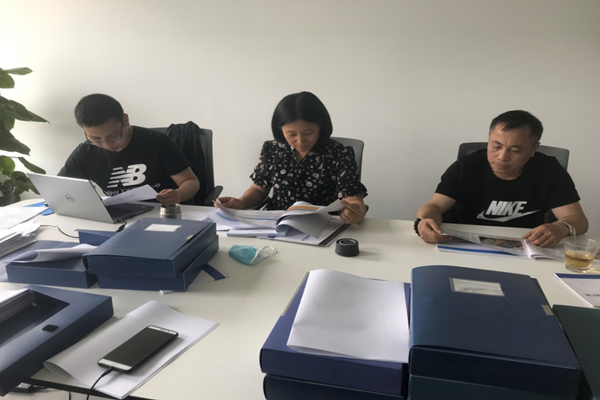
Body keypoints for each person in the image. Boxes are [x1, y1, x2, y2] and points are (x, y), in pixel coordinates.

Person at [415, 110, 588, 248]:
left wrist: (560, 228)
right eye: (496, 146)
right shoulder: (466, 167)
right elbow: (434, 207)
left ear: (533, 149)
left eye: (515, 150)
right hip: (464, 242)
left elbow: (578, 220)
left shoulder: (549, 171)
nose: (502, 157)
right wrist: (426, 221)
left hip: (526, 243)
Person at [217, 91, 367, 224]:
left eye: (308, 132)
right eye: (291, 134)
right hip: (277, 223)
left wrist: (356, 211)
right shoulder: (272, 149)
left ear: (320, 126)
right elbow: (259, 189)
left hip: (322, 225)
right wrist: (241, 202)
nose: (300, 141)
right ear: (280, 129)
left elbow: (352, 197)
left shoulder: (340, 153)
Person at [59, 94, 199, 204]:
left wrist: (179, 194)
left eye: (113, 136)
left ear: (125, 120)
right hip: (119, 213)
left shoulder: (157, 142)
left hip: (161, 211)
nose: (107, 144)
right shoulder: (85, 151)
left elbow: (190, 182)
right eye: (95, 139)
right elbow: (59, 188)